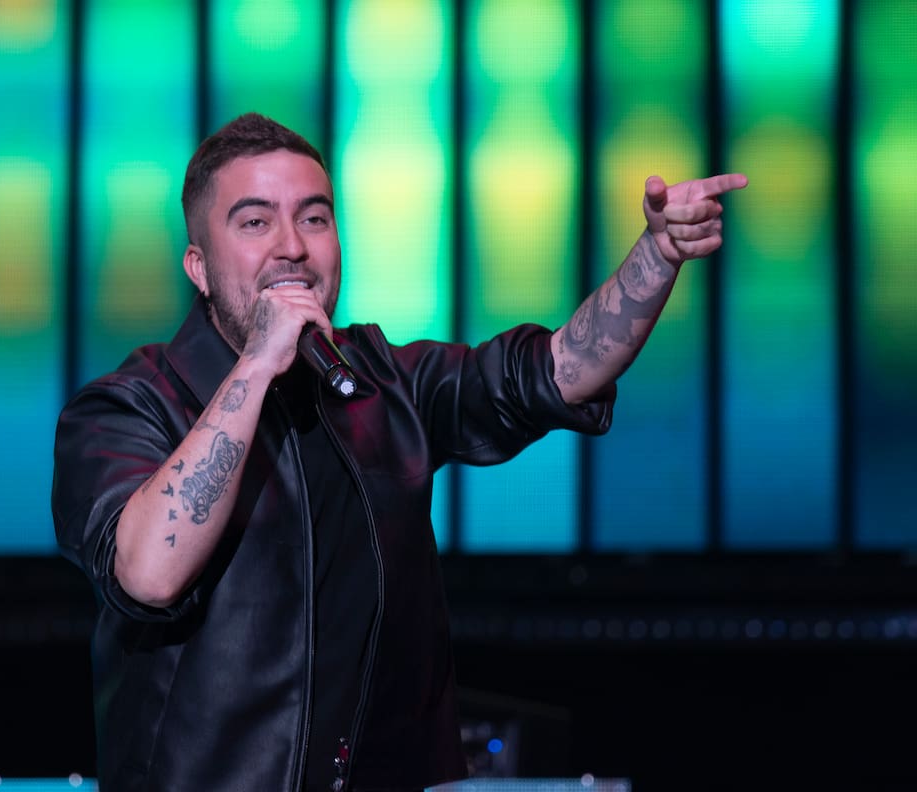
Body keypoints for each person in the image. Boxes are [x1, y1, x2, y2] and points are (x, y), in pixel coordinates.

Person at [51, 112, 746, 792]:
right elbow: (149, 575)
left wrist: (657, 255)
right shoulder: (125, 408)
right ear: (199, 268)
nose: (292, 246)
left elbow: (560, 371)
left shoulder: (382, 382)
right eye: (255, 222)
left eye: (314, 218)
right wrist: (258, 364)